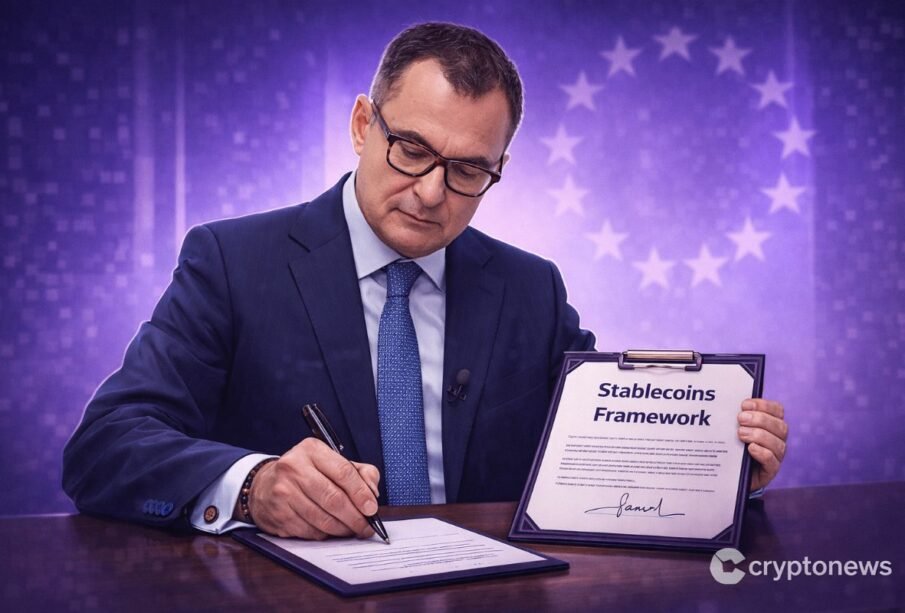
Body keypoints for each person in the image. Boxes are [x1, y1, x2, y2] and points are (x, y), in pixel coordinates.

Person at [63, 22, 788, 541]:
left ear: (498, 168)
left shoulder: (531, 289)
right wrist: (252, 487)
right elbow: (105, 446)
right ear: (362, 124)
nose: (432, 191)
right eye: (411, 148)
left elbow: (594, 459)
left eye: (468, 169)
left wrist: (717, 474)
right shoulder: (231, 260)